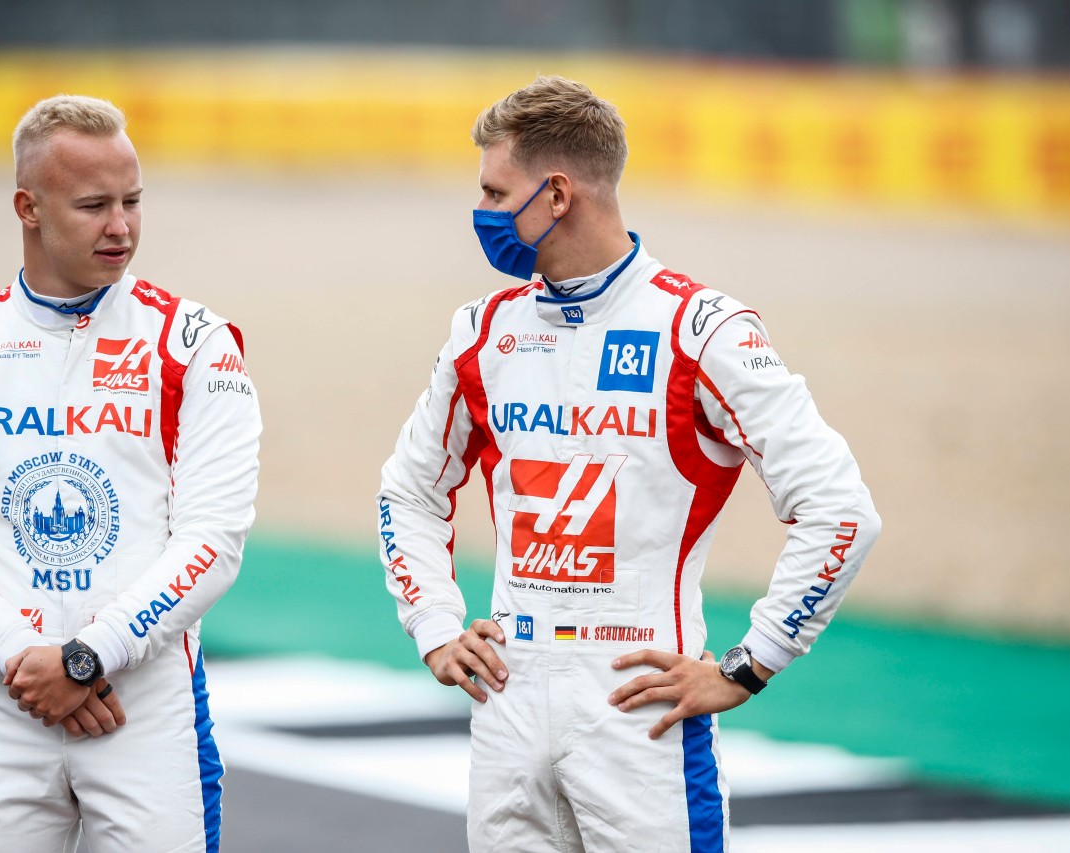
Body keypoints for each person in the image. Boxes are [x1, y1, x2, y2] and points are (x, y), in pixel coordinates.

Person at [377, 76, 880, 852]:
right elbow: (408, 488)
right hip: (508, 697)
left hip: (639, 705)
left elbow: (842, 510)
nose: (479, 212)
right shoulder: (483, 331)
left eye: (492, 189)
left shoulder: (700, 329)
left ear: (556, 193)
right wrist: (436, 623)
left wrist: (749, 665)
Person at [0, 94, 260, 852]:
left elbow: (213, 539)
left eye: (132, 201)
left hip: (145, 706)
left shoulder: (197, 344)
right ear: (28, 206)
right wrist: (20, 660)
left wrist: (90, 656)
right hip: (3, 702)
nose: (120, 226)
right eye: (94, 205)